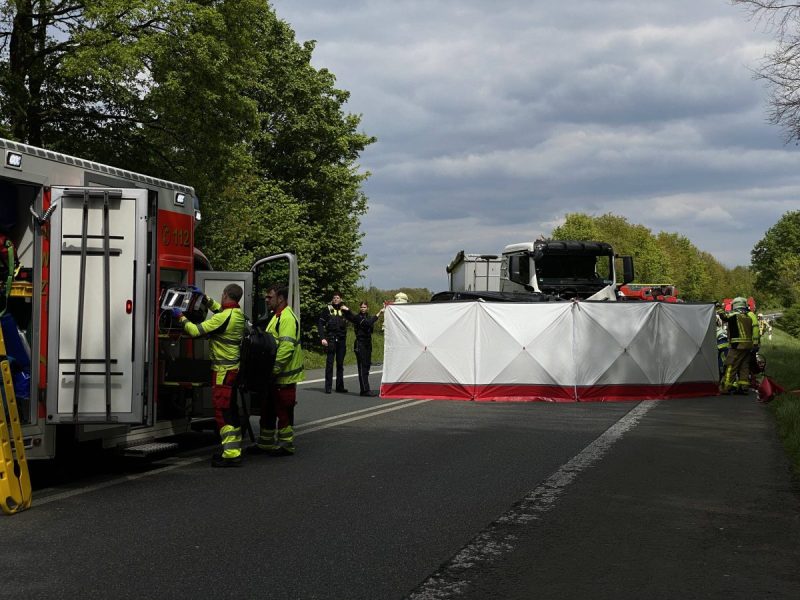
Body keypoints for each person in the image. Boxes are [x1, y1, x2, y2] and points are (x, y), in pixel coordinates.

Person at [173, 284, 245, 467]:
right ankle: (234, 449)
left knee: (222, 412)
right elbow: (221, 311)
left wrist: (180, 317)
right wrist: (206, 299)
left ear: (226, 294)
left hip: (223, 371)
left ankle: (231, 454)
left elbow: (195, 331)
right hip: (232, 369)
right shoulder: (236, 314)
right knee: (231, 411)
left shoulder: (223, 317)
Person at [247, 284, 304, 456]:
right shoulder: (276, 316)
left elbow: (286, 348)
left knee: (283, 411)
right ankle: (266, 443)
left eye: (269, 297)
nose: (266, 299)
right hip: (275, 376)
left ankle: (286, 445)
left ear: (280, 298)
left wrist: (273, 370)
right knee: (268, 409)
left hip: (283, 376)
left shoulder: (286, 318)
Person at [344, 301, 384, 396]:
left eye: (364, 307)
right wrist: (379, 313)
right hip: (360, 343)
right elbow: (368, 323)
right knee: (362, 368)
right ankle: (365, 390)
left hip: (367, 343)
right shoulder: (358, 318)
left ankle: (365, 389)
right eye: (361, 307)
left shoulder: (368, 317)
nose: (363, 309)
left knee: (367, 367)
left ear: (367, 308)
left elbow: (370, 325)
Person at [718, 296, 755, 395]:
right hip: (748, 346)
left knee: (731, 365)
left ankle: (726, 387)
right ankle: (744, 387)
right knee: (744, 366)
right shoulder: (748, 316)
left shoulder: (734, 314)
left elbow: (724, 316)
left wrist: (719, 308)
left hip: (737, 345)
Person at [318, 291, 349, 393]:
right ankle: (328, 387)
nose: (336, 299)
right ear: (332, 299)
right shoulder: (327, 309)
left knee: (340, 364)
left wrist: (348, 310)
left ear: (341, 299)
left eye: (338, 298)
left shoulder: (344, 309)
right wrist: (322, 338)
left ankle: (340, 387)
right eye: (334, 297)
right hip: (331, 340)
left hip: (341, 340)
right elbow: (320, 324)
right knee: (330, 364)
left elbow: (354, 319)